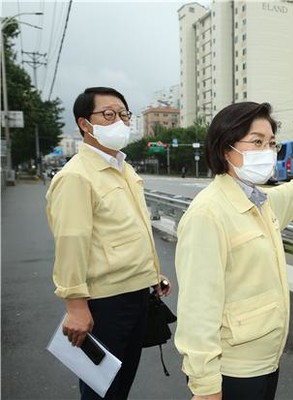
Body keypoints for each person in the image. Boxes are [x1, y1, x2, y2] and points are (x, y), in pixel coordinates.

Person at [174, 102, 293, 400]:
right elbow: (197, 309)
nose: (268, 151)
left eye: (271, 143)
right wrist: (205, 386)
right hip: (233, 371)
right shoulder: (207, 214)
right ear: (225, 148)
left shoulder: (261, 202)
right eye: (257, 142)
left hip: (266, 364)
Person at [46, 87, 172, 399]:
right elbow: (71, 242)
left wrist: (152, 276)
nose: (120, 121)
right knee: (102, 390)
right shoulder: (77, 176)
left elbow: (130, 230)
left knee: (121, 384)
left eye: (124, 114)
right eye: (109, 114)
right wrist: (75, 305)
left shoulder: (123, 169)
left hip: (135, 295)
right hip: (105, 304)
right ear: (85, 124)